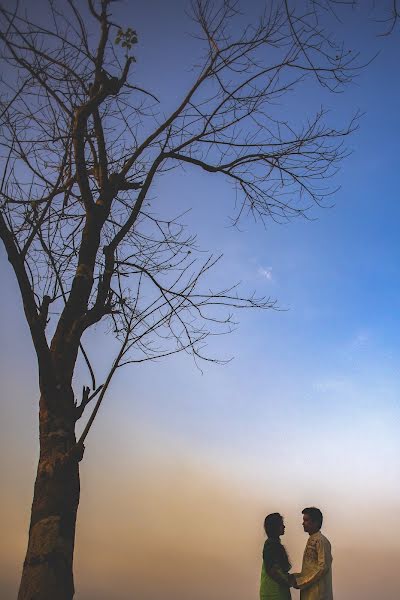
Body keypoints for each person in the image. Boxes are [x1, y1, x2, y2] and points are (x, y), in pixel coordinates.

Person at [292, 507, 333, 600]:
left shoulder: (321, 540)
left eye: (306, 520)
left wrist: (301, 581)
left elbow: (322, 568)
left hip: (318, 594)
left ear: (316, 522)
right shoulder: (312, 539)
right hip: (309, 590)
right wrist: (296, 577)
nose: (303, 523)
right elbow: (311, 568)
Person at [260, 513, 292, 600]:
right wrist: (288, 582)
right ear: (274, 527)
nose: (284, 527)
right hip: (274, 592)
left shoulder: (274, 544)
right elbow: (272, 571)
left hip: (276, 590)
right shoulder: (271, 545)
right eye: (281, 524)